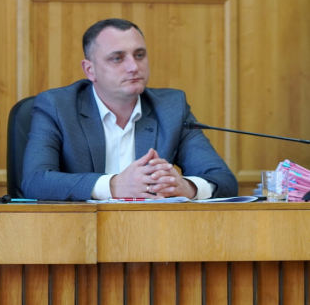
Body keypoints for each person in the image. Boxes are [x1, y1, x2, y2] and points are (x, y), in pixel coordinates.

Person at [21, 18, 238, 201]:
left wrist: (186, 187)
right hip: (80, 230)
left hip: (152, 230)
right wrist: (114, 186)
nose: (133, 67)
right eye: (117, 58)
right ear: (90, 70)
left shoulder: (171, 108)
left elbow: (223, 179)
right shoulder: (57, 106)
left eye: (139, 55)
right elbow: (35, 181)